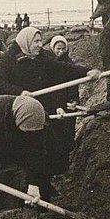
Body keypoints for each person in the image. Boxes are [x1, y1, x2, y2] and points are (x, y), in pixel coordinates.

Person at [45, 36, 81, 176]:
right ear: (53, 49)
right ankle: (54, 167)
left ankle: (65, 167)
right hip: (53, 105)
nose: (60, 52)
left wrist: (74, 101)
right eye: (57, 49)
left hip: (67, 105)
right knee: (54, 136)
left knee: (67, 135)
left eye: (63, 49)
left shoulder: (69, 64)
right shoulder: (49, 65)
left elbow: (74, 86)